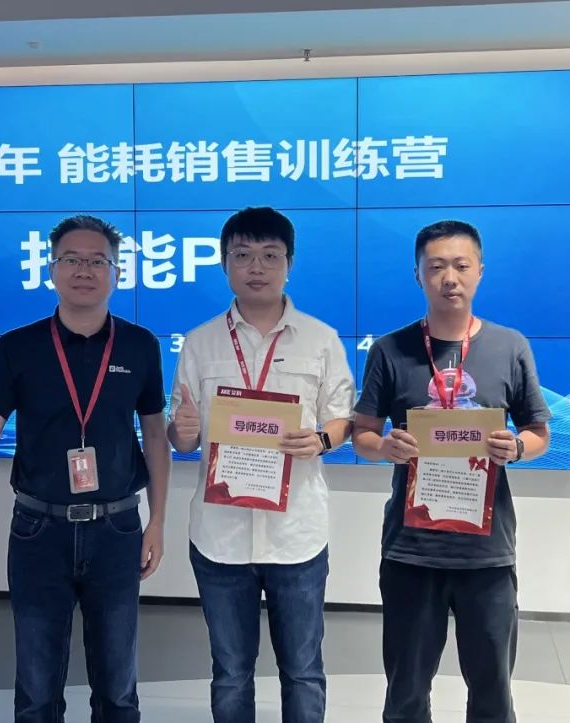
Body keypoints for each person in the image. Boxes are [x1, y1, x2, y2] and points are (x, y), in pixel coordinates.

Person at [0, 214, 171, 723]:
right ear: (51, 269)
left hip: (117, 526)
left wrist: (158, 522)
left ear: (116, 272)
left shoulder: (140, 345)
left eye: (98, 261)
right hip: (38, 529)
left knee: (118, 690)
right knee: (37, 692)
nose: (84, 270)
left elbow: (155, 435)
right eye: (71, 259)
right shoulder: (17, 347)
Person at [352, 219, 551, 723]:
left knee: (492, 694)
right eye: (436, 266)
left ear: (480, 271)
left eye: (461, 266)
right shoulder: (389, 350)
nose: (449, 278)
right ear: (417, 274)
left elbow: (538, 432)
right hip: (411, 549)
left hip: (487, 552)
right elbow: (362, 435)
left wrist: (517, 447)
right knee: (406, 693)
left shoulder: (509, 346)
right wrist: (385, 447)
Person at [167, 206, 355, 723]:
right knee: (230, 672)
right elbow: (183, 437)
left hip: (296, 532)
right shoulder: (200, 342)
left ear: (289, 264)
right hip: (220, 534)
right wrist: (182, 431)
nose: (257, 267)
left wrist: (321, 439)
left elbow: (343, 418)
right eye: (243, 255)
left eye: (270, 255)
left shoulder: (321, 339)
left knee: (303, 670)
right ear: (224, 264)